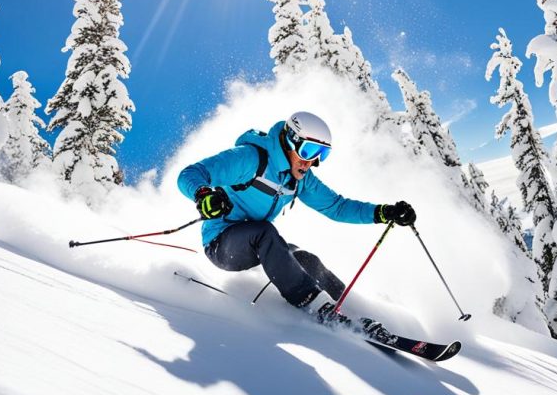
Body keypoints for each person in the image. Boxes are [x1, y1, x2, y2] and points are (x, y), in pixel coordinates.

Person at [177, 111, 416, 327]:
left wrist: (383, 212)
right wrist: (203, 195)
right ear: (290, 140)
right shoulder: (251, 159)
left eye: (322, 154)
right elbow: (191, 173)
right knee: (265, 233)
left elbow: (337, 207)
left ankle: (348, 311)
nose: (311, 161)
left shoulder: (300, 179)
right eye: (308, 151)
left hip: (256, 244)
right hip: (221, 245)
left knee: (304, 258)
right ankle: (316, 306)